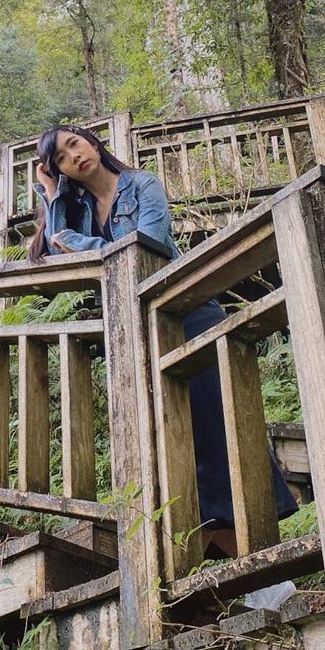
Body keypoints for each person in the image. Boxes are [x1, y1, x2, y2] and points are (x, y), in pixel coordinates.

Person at [29, 123, 297, 604]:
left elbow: (148, 246)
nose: (75, 156)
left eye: (76, 143)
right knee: (172, 450)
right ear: (62, 172)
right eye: (62, 158)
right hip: (137, 334)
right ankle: (235, 578)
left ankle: (268, 579)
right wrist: (52, 199)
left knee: (220, 439)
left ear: (93, 143)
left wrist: (80, 244)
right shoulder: (77, 209)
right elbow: (54, 254)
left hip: (189, 314)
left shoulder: (143, 184)